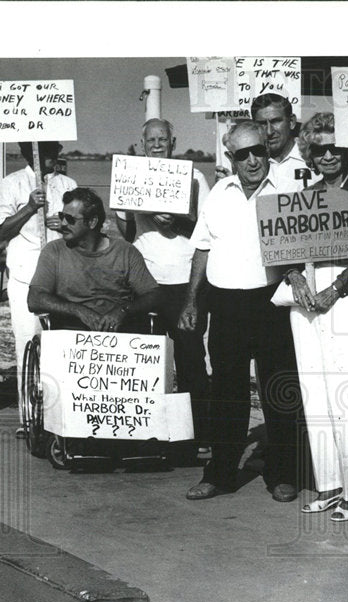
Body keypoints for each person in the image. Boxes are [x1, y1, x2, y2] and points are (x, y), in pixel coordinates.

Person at [179, 120, 305, 503]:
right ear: (230, 157)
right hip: (225, 306)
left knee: (279, 392)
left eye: (259, 151)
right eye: (243, 154)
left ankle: (283, 474)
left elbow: (302, 250)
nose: (253, 161)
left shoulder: (287, 191)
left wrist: (298, 273)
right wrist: (191, 301)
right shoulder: (218, 192)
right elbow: (202, 247)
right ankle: (219, 473)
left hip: (270, 303)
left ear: (268, 150)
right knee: (226, 395)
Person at [285, 112, 348, 521]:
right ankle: (329, 484)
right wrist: (294, 277)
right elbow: (282, 252)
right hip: (305, 298)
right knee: (314, 394)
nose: (328, 156)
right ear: (309, 152)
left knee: (345, 394)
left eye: (335, 148)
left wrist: (335, 288)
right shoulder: (301, 197)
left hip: (344, 296)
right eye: (320, 149)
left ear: (347, 150)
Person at [116, 118, 212, 459]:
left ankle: (195, 435)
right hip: (146, 281)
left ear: (173, 141)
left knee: (190, 358)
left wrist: (178, 219)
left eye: (163, 139)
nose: (157, 144)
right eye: (151, 140)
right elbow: (126, 231)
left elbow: (206, 228)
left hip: (186, 281)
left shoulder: (194, 177)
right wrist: (133, 212)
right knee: (145, 361)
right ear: (142, 144)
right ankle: (149, 433)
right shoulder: (133, 174)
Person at [0, 141, 77, 434]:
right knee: (27, 342)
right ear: (30, 153)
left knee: (61, 346)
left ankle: (61, 417)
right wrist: (29, 208)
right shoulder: (11, 183)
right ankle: (30, 418)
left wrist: (65, 224)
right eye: (45, 152)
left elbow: (84, 227)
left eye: (55, 151)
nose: (52, 157)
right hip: (25, 277)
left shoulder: (67, 184)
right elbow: (1, 231)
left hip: (63, 277)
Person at [28, 187, 160, 332]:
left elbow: (153, 295)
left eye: (70, 219)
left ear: (92, 222)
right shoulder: (54, 251)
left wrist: (123, 311)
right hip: (70, 333)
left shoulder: (125, 252)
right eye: (62, 216)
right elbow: (35, 299)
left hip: (117, 333)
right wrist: (79, 311)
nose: (63, 223)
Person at [251, 93, 314, 192]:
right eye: (262, 124)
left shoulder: (314, 156)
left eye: (276, 121)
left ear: (292, 122)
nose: (269, 131)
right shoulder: (250, 164)